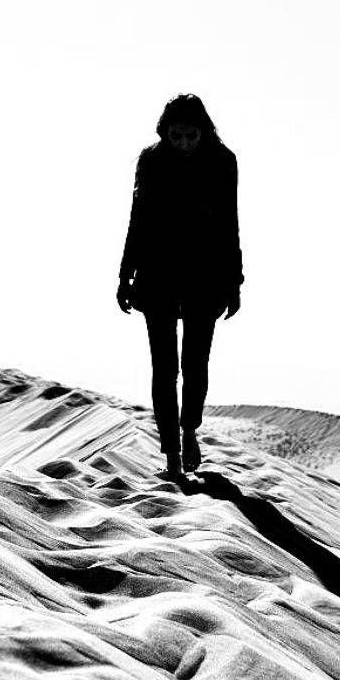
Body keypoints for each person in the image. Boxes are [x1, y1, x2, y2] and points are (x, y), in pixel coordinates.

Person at [116, 94, 242, 478]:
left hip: (206, 276)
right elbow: (138, 219)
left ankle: (189, 431)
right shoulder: (151, 161)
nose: (184, 143)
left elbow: (230, 224)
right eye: (176, 136)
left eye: (191, 136)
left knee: (195, 365)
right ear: (164, 133)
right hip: (158, 275)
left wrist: (234, 282)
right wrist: (125, 275)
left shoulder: (223, 162)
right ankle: (171, 454)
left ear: (204, 132)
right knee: (165, 368)